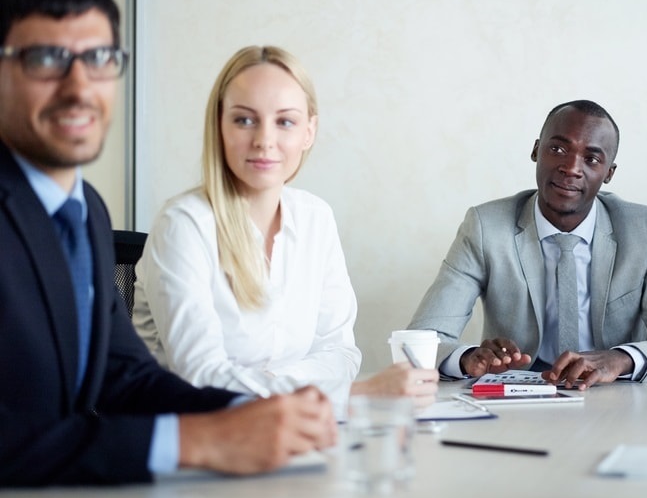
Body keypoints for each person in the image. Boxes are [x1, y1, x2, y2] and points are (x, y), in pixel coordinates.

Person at [0, 0, 335, 487]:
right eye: (46, 58)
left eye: (99, 58)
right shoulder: (178, 219)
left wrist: (250, 414)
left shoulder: (82, 208)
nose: (80, 87)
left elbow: (123, 376)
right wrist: (197, 440)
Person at [132, 45, 439, 407]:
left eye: (285, 121)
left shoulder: (315, 218)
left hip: (295, 432)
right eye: (244, 120)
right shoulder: (183, 225)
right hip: (195, 439)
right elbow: (202, 379)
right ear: (219, 125)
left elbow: (340, 354)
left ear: (309, 131)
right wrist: (348, 393)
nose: (264, 140)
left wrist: (272, 386)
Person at [408, 100, 647, 389]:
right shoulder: (486, 227)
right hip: (518, 403)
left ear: (609, 172)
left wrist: (619, 359)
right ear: (536, 150)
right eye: (558, 149)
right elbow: (418, 342)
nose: (571, 168)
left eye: (592, 159)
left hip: (613, 397)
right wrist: (468, 357)